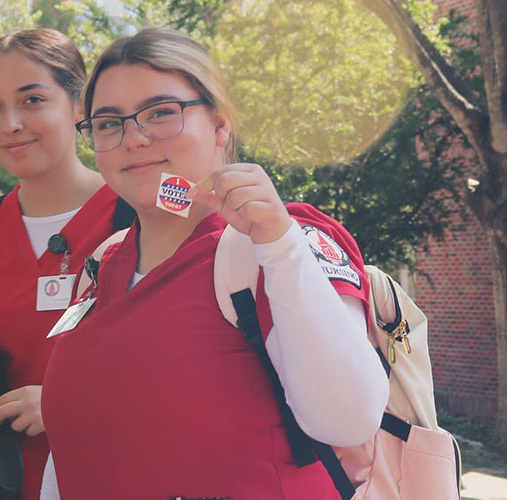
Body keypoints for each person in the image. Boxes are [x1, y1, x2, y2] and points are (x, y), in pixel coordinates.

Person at [40, 27, 390, 499]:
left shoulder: (274, 245)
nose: (134, 138)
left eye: (161, 112)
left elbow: (350, 419)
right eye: (108, 123)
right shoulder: (103, 263)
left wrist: (280, 246)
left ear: (220, 125)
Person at [0, 28, 132, 500]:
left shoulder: (137, 218)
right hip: (5, 481)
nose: (11, 123)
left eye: (33, 99)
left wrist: (70, 403)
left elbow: (181, 366)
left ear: (79, 104)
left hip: (113, 477)